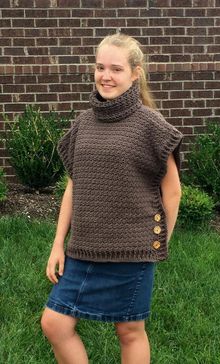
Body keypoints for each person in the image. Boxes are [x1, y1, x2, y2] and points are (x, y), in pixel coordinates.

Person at [41, 33, 183, 364]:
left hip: (131, 249)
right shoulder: (84, 122)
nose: (106, 76)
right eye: (100, 67)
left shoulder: (150, 125)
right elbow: (73, 185)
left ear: (135, 73)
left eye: (116, 69)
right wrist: (58, 243)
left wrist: (158, 242)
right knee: (54, 322)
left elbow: (172, 190)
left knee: (129, 329)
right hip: (84, 248)